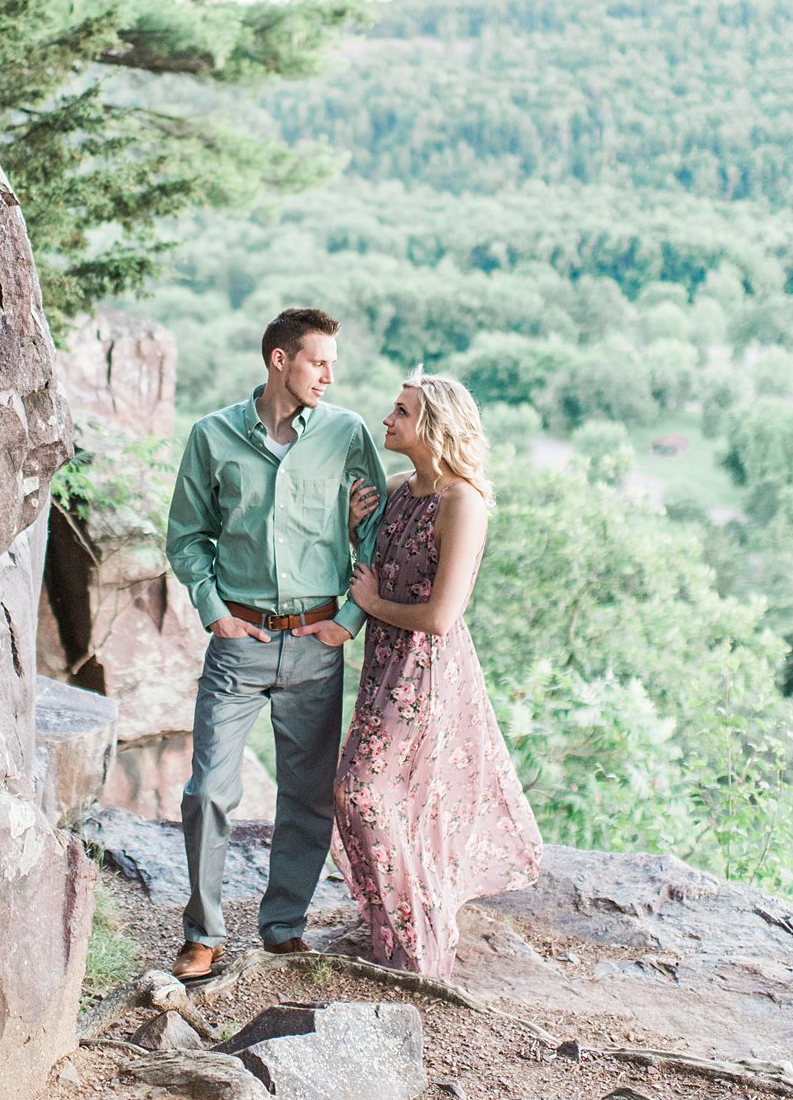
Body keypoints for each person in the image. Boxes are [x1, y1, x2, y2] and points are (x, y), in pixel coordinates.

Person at [165, 307, 387, 981]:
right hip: (240, 641)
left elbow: (376, 529)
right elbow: (186, 536)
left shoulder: (346, 434)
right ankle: (203, 932)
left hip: (318, 642)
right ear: (280, 360)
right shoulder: (212, 436)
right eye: (317, 361)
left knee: (308, 794)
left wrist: (349, 618)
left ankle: (284, 924)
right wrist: (215, 614)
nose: (328, 375)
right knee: (208, 791)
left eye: (332, 365)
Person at [333, 370, 542, 978]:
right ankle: (392, 928)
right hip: (381, 666)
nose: (387, 419)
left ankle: (416, 951)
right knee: (385, 798)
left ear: (434, 426)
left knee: (361, 793)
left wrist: (373, 608)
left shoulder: (462, 502)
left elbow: (442, 617)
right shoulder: (398, 489)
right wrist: (353, 530)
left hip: (422, 673)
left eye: (401, 411)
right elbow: (372, 569)